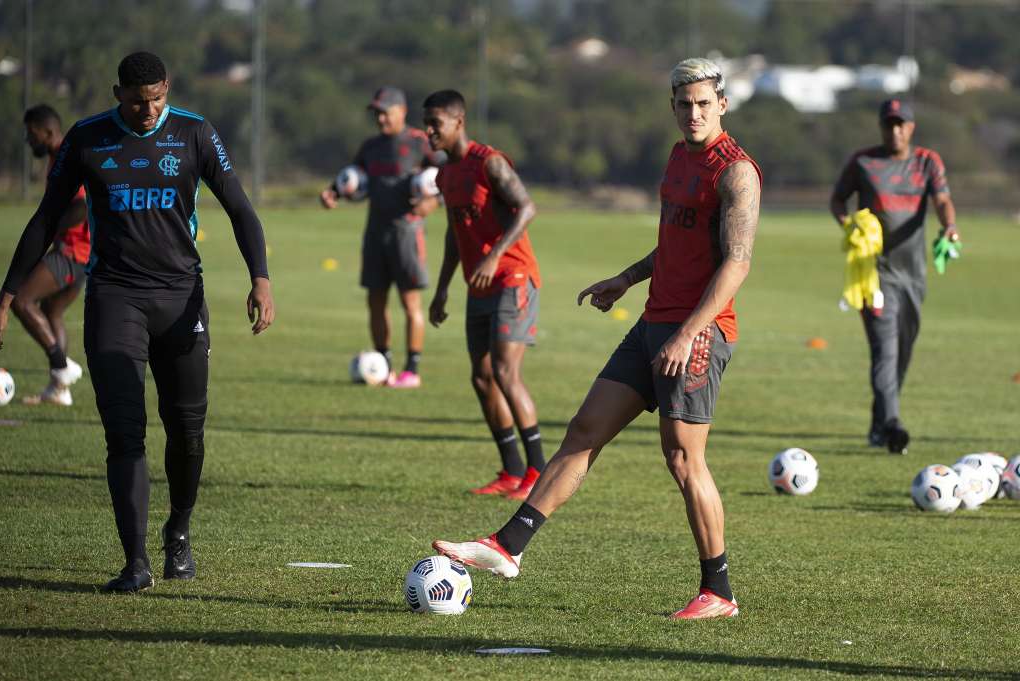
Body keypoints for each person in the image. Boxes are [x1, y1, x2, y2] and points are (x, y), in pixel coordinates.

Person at [432, 58, 761, 620]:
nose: (694, 113)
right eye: (685, 104)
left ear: (722, 105)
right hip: (654, 323)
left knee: (684, 459)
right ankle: (508, 547)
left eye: (705, 104)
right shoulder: (679, 157)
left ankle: (719, 591)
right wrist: (626, 279)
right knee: (584, 431)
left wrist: (687, 333)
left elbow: (736, 263)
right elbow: (677, 244)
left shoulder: (736, 172)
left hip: (697, 333)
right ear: (672, 106)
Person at [0, 52, 274, 593]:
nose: (149, 110)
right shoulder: (87, 138)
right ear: (117, 93)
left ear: (168, 89)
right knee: (124, 432)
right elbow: (45, 218)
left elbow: (241, 209)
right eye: (138, 100)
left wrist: (260, 278)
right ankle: (136, 562)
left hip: (180, 298)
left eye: (158, 99)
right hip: (115, 297)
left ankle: (179, 530)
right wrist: (7, 296)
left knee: (187, 431)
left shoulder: (194, 133)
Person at [423, 89, 546, 500]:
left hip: (514, 277)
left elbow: (527, 208)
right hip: (478, 285)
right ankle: (512, 471)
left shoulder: (489, 162)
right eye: (426, 124)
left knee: (506, 373)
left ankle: (538, 473)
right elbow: (454, 233)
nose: (429, 131)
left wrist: (494, 256)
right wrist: (442, 289)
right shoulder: (445, 174)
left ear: (458, 122)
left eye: (435, 124)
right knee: (481, 377)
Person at [830, 98, 958, 455]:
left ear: (911, 127)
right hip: (875, 274)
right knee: (884, 349)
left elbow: (942, 200)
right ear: (881, 127)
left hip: (914, 275)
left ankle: (879, 424)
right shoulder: (863, 162)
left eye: (901, 124)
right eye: (889, 124)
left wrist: (949, 227)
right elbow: (837, 200)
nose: (895, 130)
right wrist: (849, 224)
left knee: (902, 350)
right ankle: (892, 425)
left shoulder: (927, 162)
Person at [320, 87, 441, 388]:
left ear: (402, 111)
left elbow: (448, 176)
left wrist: (433, 201)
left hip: (407, 232)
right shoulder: (370, 147)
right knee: (375, 301)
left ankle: (411, 369)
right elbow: (351, 177)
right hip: (375, 230)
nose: (381, 118)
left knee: (410, 302)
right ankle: (384, 365)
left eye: (385, 112)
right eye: (377, 113)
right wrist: (332, 193)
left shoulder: (419, 143)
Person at [12, 104, 90, 405]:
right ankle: (60, 390)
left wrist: (50, 231)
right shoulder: (59, 157)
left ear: (47, 132)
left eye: (31, 133)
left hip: (72, 252)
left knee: (21, 300)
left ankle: (61, 365)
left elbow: (81, 206)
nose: (28, 139)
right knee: (51, 311)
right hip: (80, 255)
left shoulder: (66, 158)